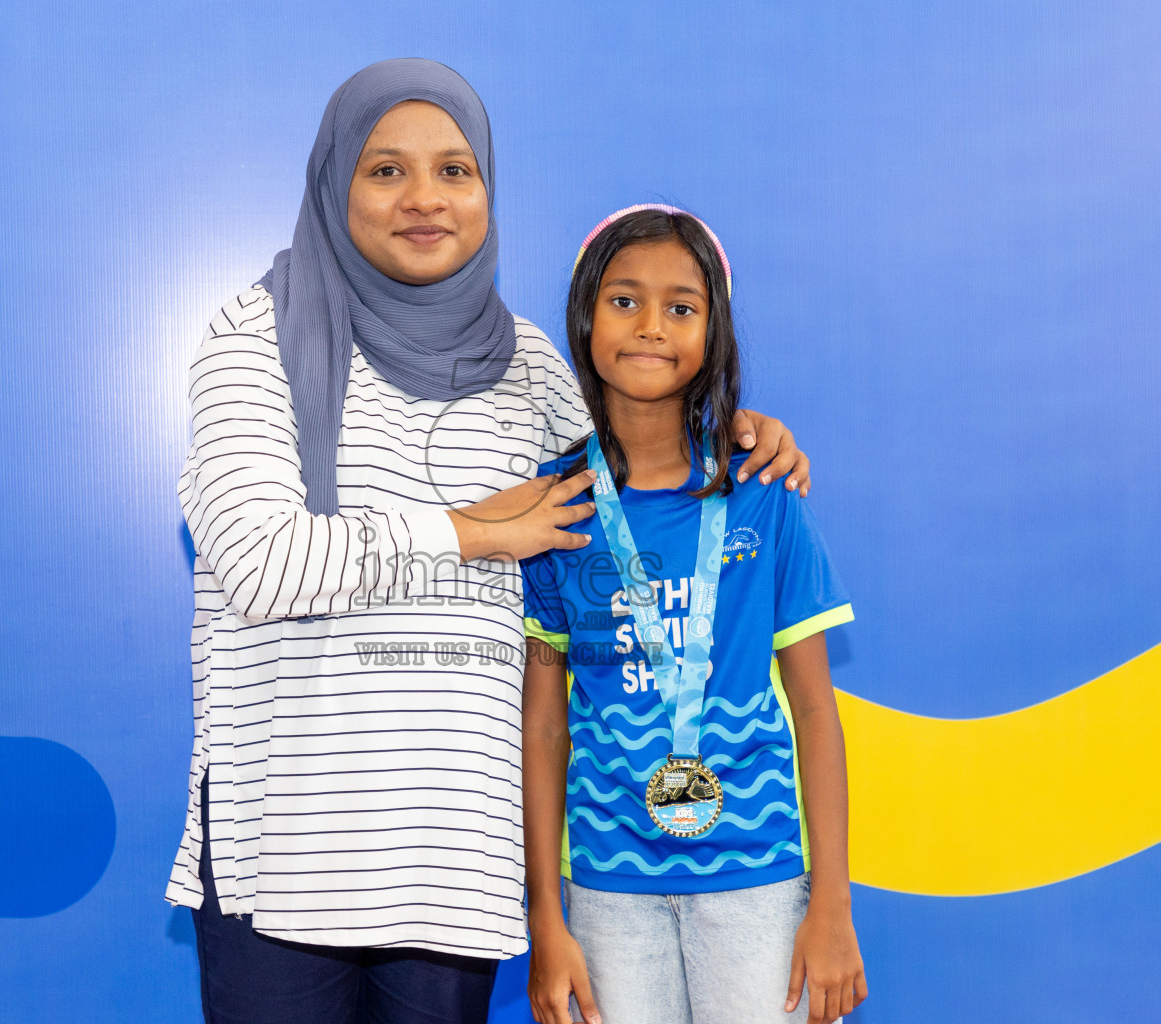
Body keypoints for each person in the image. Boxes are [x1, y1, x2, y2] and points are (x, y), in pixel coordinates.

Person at [165, 61, 814, 1024]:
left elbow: (637, 458)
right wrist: (471, 530)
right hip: (288, 855)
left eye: (455, 171)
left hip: (451, 869)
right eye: (386, 170)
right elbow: (263, 564)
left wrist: (743, 435)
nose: (425, 199)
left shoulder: (534, 370)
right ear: (334, 180)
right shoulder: (255, 338)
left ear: (487, 192)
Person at [520, 206, 868, 1024]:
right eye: (624, 301)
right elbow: (542, 729)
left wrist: (832, 904)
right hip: (608, 891)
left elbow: (817, 709)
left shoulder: (765, 493)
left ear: (714, 331)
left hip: (758, 880)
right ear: (585, 316)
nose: (651, 327)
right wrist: (547, 919)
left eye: (681, 307)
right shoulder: (555, 509)